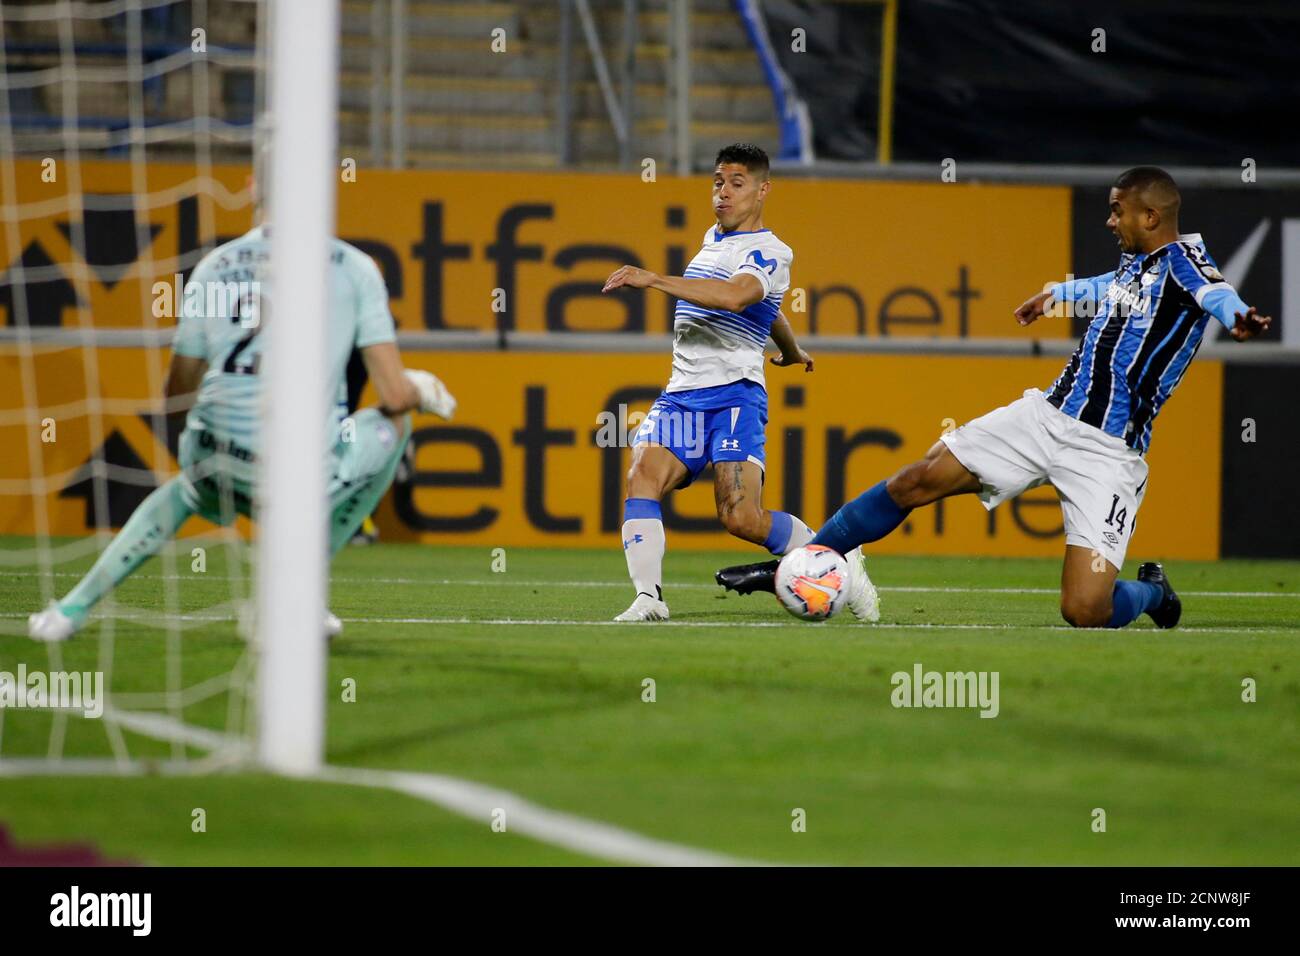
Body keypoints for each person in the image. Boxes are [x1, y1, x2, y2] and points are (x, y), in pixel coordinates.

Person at [716, 166, 1271, 629]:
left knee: (1084, 610)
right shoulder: (1140, 263)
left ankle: (1151, 592)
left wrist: (1239, 316)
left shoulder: (1185, 264)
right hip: (1046, 416)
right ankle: (809, 561)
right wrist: (1058, 293)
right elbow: (1110, 286)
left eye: (1117, 210)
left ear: (1150, 217)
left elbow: (1215, 293)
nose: (1109, 219)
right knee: (916, 479)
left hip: (1108, 453)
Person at [28, 216, 455, 642]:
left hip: (211, 451)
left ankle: (70, 609)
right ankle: (296, 597)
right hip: (291, 476)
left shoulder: (216, 264)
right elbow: (395, 397)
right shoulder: (353, 268)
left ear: (253, 186)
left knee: (185, 490)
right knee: (395, 426)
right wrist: (420, 389)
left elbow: (176, 398)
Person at [601, 142, 878, 623]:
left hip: (734, 394)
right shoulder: (712, 242)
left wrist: (653, 279)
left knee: (740, 518)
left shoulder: (772, 251)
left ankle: (843, 558)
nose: (722, 193)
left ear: (763, 190)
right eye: (717, 182)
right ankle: (649, 599)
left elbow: (736, 297)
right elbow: (766, 310)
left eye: (736, 183)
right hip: (681, 396)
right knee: (640, 474)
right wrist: (791, 351)